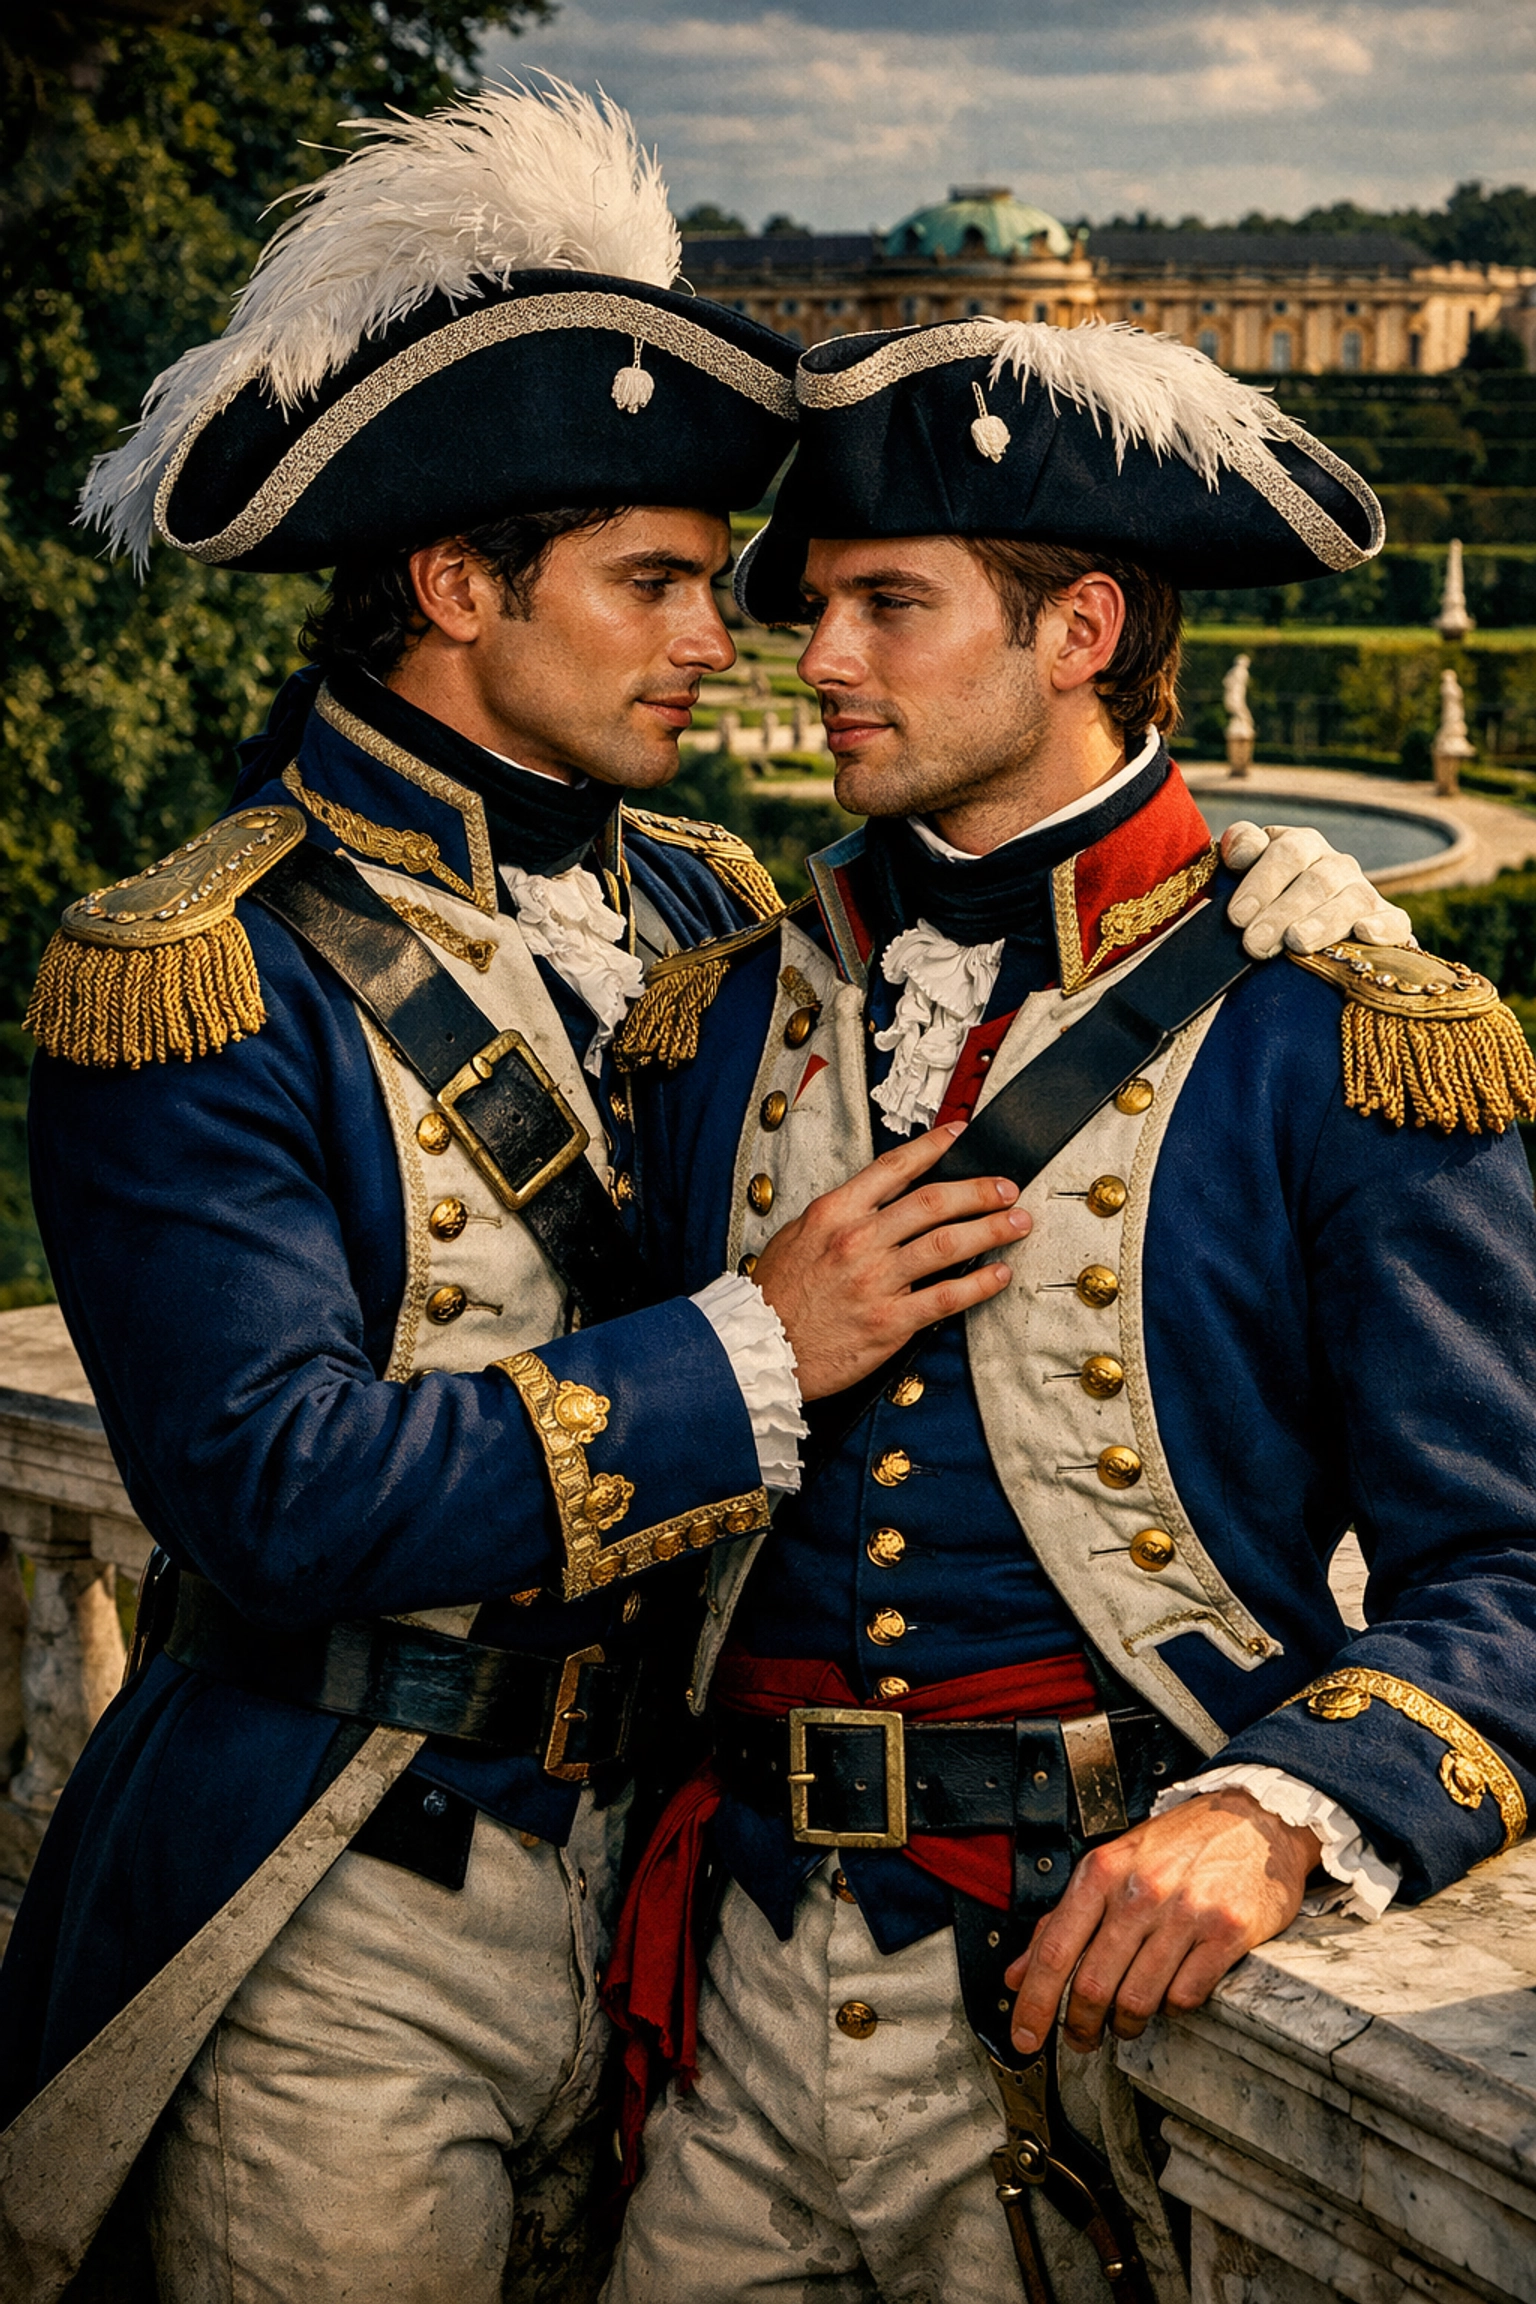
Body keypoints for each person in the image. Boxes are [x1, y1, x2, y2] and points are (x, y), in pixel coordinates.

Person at [0, 85, 1015, 2304]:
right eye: (652, 583)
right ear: (458, 590)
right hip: (335, 1907)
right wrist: (758, 1348)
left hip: (663, 1885)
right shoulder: (193, 966)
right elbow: (266, 1488)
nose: (716, 641)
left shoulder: (711, 903)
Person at [601, 318, 1536, 2304]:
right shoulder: (719, 1028)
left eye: (886, 606)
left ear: (1081, 626)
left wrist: (1291, 1810)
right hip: (735, 1991)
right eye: (814, 608)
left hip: (1084, 2015)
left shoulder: (1340, 1036)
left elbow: (1515, 1573)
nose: (818, 658)